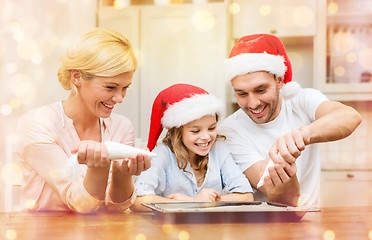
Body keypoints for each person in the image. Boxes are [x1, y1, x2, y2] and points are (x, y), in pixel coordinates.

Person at [17, 28, 151, 214]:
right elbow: (82, 205)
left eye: (124, 88)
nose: (120, 98)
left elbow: (116, 208)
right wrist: (99, 167)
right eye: (110, 87)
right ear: (77, 76)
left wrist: (123, 173)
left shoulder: (122, 126)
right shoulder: (38, 124)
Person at [220, 34, 362, 208]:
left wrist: (302, 135)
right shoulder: (230, 130)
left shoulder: (301, 100)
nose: (253, 103)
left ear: (279, 80)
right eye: (242, 93)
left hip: (311, 221)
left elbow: (350, 116)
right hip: (260, 227)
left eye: (261, 90)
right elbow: (276, 196)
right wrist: (286, 174)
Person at [130, 83, 253, 211]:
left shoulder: (219, 149)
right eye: (195, 131)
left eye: (212, 128)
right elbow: (138, 201)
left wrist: (202, 202)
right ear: (177, 131)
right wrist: (194, 202)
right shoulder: (162, 153)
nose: (206, 137)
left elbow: (246, 197)